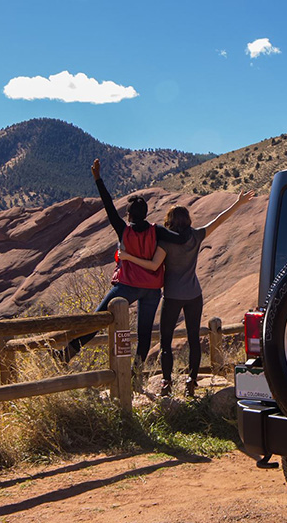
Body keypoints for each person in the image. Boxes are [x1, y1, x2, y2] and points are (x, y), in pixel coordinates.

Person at [61, 159, 186, 389]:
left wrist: (98, 179)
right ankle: (135, 376)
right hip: (151, 289)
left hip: (126, 286)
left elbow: (108, 205)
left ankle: (67, 353)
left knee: (96, 321)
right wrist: (188, 231)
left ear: (129, 215)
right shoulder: (156, 231)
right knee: (145, 335)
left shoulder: (123, 230)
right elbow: (180, 239)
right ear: (146, 214)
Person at [119, 189, 254, 397]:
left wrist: (128, 257)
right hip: (194, 295)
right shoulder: (197, 236)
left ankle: (167, 382)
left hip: (172, 296)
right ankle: (191, 381)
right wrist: (238, 203)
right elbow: (219, 220)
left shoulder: (165, 242)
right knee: (193, 339)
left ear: (169, 221)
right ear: (188, 219)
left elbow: (154, 265)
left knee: (165, 342)